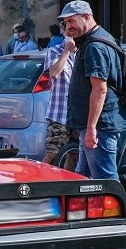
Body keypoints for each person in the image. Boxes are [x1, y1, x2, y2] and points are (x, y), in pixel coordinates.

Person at [61, 0, 126, 181]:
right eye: (66, 23)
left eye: (72, 21)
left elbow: (100, 89)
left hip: (100, 126)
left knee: (105, 182)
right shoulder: (97, 39)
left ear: (87, 17)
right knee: (82, 180)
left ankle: (122, 211)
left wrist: (92, 127)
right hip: (95, 125)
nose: (68, 27)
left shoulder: (94, 46)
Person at [42, 30, 76, 164]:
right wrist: (66, 51)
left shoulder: (83, 52)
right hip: (59, 113)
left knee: (73, 154)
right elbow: (54, 73)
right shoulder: (54, 51)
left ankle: (68, 184)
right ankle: (40, 183)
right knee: (53, 153)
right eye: (68, 28)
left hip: (77, 112)